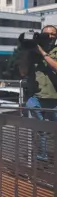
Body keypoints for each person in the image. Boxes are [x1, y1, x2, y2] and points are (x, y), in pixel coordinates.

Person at [20, 25, 57, 160]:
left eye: (53, 34)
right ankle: (43, 156)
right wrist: (26, 52)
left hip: (55, 99)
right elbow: (23, 72)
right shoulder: (32, 53)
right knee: (41, 128)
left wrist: (42, 52)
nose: (50, 37)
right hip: (37, 97)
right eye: (47, 34)